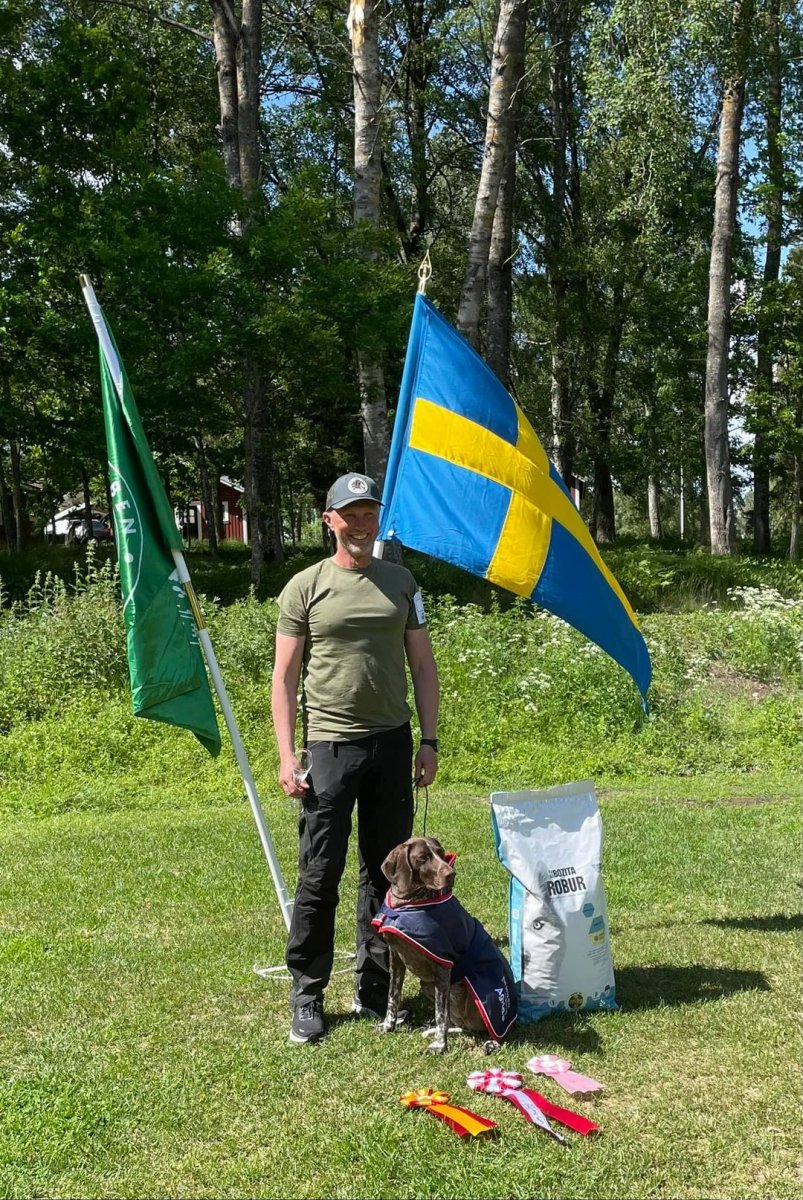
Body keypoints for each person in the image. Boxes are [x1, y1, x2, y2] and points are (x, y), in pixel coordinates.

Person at [271, 471, 440, 1044]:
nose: (362, 524)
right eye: (351, 515)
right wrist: (287, 755)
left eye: (370, 514)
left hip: (392, 743)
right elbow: (284, 677)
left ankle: (374, 986)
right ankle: (307, 993)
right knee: (320, 873)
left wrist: (429, 740)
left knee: (386, 872)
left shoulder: (401, 582)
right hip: (329, 746)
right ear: (330, 521)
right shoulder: (305, 587)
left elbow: (423, 665)